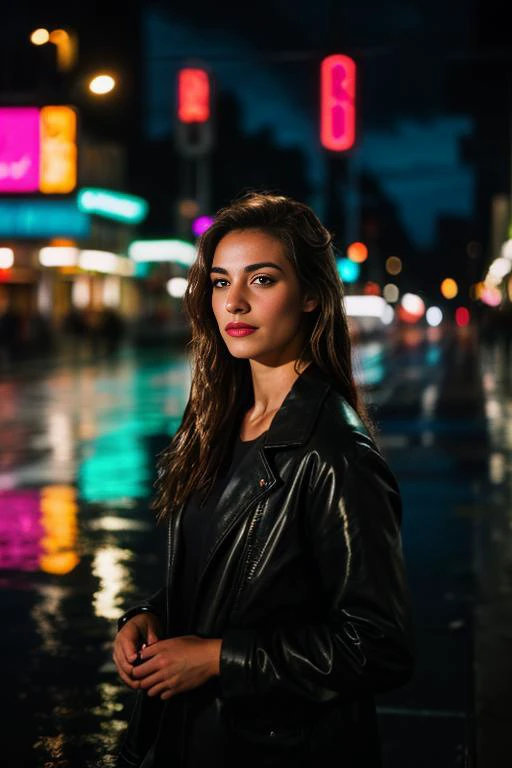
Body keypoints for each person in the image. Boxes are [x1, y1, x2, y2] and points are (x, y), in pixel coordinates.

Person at [113, 191, 415, 768]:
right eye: (222, 282)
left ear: (309, 298)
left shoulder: (335, 453)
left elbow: (379, 645)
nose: (236, 304)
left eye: (263, 280)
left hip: (277, 747)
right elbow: (236, 572)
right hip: (192, 735)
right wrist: (152, 615)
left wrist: (218, 659)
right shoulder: (220, 423)